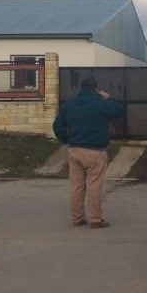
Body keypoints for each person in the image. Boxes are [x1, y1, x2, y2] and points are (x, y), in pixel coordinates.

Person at [53, 76, 124, 228]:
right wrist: (108, 98)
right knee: (94, 186)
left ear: (81, 87)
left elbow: (58, 126)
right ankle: (95, 219)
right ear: (95, 89)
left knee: (76, 186)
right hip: (96, 150)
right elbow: (120, 112)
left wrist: (67, 139)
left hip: (75, 149)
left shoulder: (69, 104)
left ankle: (77, 218)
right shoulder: (101, 103)